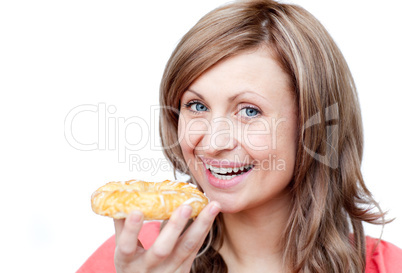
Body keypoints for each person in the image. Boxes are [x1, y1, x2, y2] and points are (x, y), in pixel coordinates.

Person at [78, 0, 402, 272]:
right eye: (196, 105)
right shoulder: (134, 259)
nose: (215, 142)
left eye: (249, 111)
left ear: (312, 128)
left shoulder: (387, 266)